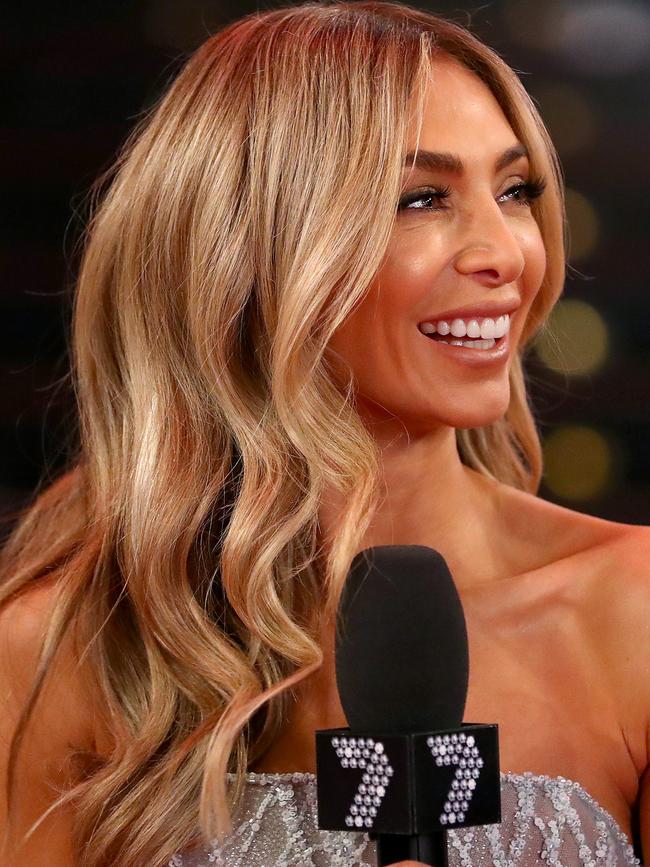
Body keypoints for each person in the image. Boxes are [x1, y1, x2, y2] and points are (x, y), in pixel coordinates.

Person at [0, 1, 647, 865]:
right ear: (250, 251)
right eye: (421, 199)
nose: (504, 252)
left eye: (515, 190)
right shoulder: (65, 651)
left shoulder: (631, 610)